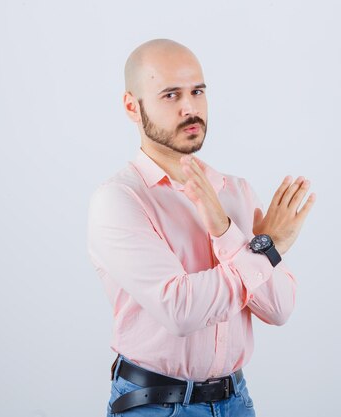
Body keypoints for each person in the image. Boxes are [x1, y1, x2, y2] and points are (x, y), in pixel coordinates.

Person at [87, 38, 316, 417]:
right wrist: (267, 245)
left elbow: (278, 308)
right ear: (132, 106)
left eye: (197, 91)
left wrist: (227, 230)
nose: (190, 107)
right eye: (170, 95)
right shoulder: (119, 200)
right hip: (156, 406)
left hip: (236, 400)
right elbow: (181, 310)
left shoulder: (236, 192)